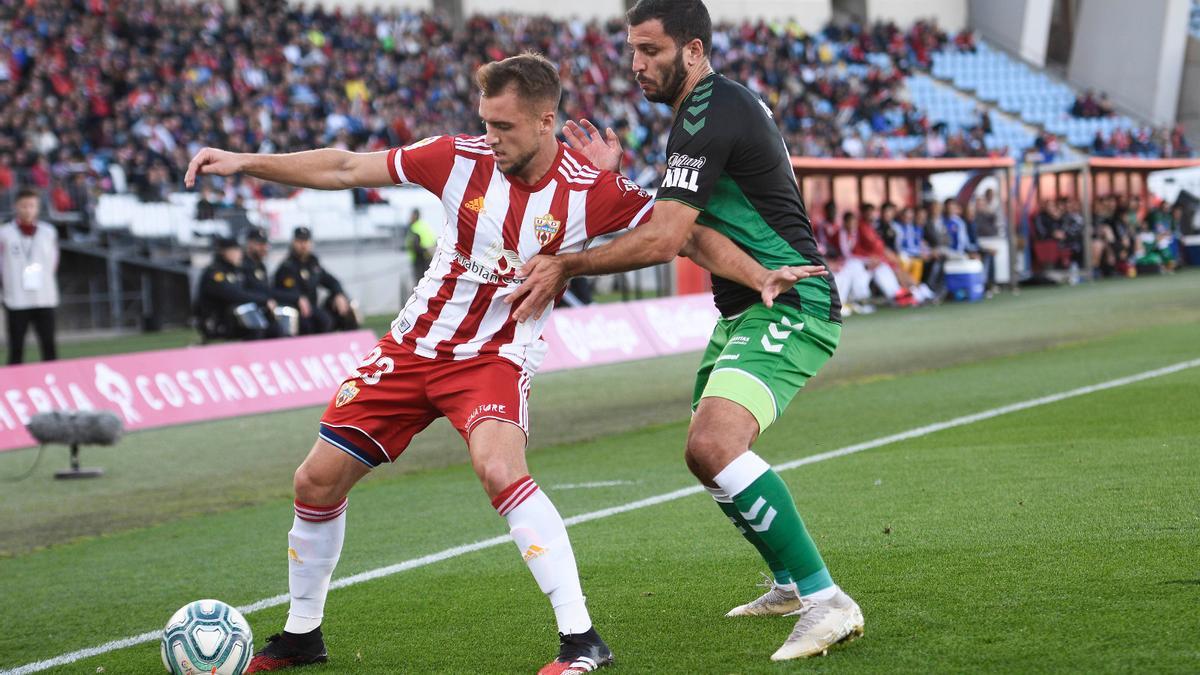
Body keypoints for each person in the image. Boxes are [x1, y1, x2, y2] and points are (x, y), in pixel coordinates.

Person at [185, 52, 814, 674]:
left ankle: (581, 639)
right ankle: (301, 636)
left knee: (497, 466)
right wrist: (244, 163)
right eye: (486, 122)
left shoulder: (589, 188)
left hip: (494, 356)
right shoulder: (455, 158)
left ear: (545, 122)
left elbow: (686, 234)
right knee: (313, 483)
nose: (491, 137)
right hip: (410, 348)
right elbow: (348, 165)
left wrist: (758, 274)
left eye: (504, 126)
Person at [507, 0, 864, 661]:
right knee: (704, 455)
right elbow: (685, 220)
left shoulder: (708, 113)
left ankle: (826, 599)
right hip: (745, 309)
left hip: (790, 301)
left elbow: (670, 236)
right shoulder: (707, 111)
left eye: (651, 51)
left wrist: (566, 264)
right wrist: (615, 185)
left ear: (693, 50)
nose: (635, 65)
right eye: (633, 51)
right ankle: (788, 582)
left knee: (715, 443)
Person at [0, 189, 59, 364]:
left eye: (32, 206)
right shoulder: (5, 234)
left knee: (49, 346)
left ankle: (52, 386)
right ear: (16, 206)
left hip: (44, 297)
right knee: (16, 348)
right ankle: (13, 387)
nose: (28, 210)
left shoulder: (48, 232)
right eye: (24, 206)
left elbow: (54, 262)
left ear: (38, 208)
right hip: (17, 299)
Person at [195, 236, 278, 341]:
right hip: (216, 321)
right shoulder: (215, 273)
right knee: (255, 326)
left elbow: (251, 290)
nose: (239, 254)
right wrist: (264, 300)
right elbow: (235, 295)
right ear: (223, 252)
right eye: (235, 251)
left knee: (273, 326)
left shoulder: (238, 270)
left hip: (233, 319)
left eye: (239, 250)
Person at [273, 227, 355, 334]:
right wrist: (297, 298)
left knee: (346, 309)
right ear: (293, 243)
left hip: (313, 308)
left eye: (306, 241)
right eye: (300, 241)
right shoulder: (287, 267)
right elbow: (281, 292)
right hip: (297, 311)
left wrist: (339, 294)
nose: (303, 245)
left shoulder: (313, 263)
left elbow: (331, 280)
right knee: (322, 320)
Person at [243, 226, 306, 336]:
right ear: (250, 244)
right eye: (260, 244)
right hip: (249, 313)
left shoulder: (260, 266)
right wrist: (266, 299)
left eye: (265, 244)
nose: (264, 248)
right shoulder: (242, 265)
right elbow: (259, 290)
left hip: (264, 308)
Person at [404, 208, 436, 298]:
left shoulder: (415, 228)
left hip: (420, 259)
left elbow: (415, 245)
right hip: (429, 258)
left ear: (414, 216)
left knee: (419, 284)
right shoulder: (425, 225)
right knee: (428, 283)